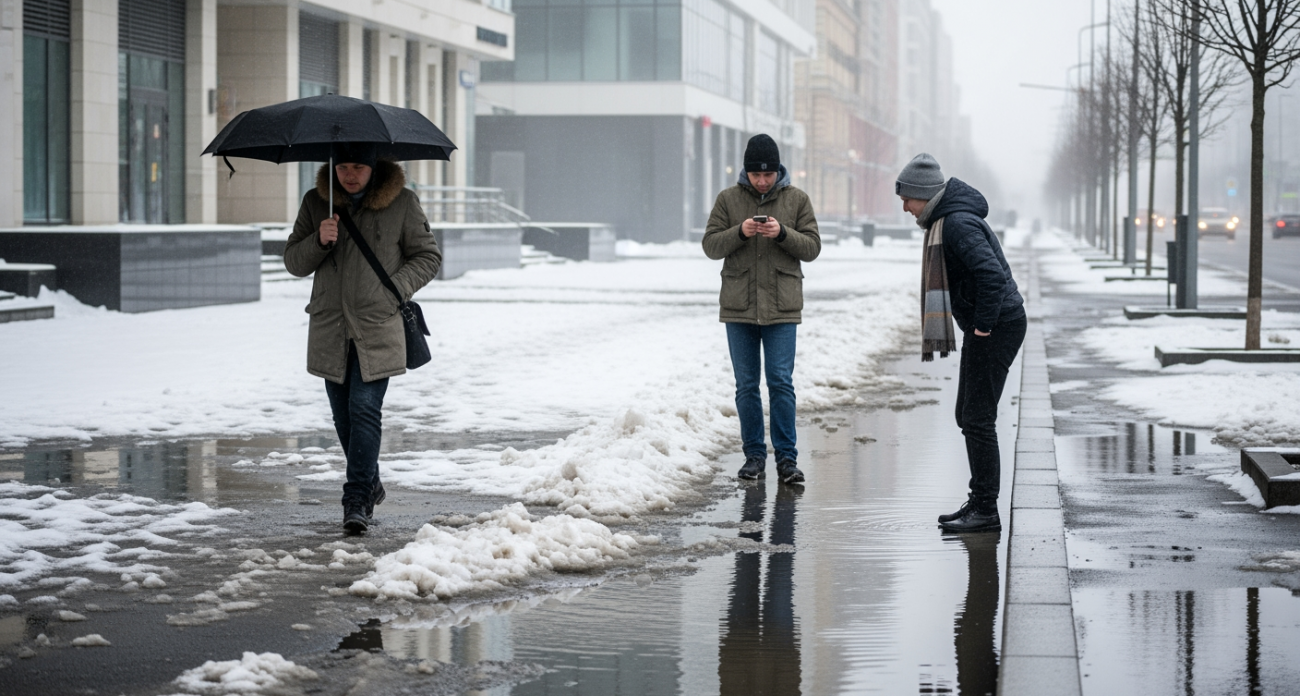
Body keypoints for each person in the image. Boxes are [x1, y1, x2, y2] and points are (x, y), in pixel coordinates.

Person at [284, 143, 441, 534]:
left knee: (365, 409)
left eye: (358, 167)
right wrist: (319, 240)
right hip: (330, 326)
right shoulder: (316, 202)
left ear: (374, 168)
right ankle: (370, 481)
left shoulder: (402, 203)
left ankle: (356, 500)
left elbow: (428, 257)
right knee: (343, 416)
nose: (349, 175)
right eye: (343, 167)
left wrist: (393, 290)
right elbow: (293, 262)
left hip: (377, 324)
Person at [896, 152, 1026, 533]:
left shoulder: (956, 224)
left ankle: (985, 509)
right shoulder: (947, 221)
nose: (904, 207)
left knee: (977, 418)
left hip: (998, 325)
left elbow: (991, 275)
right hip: (992, 325)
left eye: (907, 198)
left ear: (924, 194)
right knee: (967, 416)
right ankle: (980, 500)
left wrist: (983, 326)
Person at [703, 134, 821, 484]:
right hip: (739, 306)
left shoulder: (797, 199)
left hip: (782, 307)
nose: (762, 181)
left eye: (768, 175)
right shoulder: (728, 199)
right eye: (756, 175)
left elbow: (812, 247)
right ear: (747, 171)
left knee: (781, 383)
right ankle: (754, 456)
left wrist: (782, 233)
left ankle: (787, 459)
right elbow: (710, 245)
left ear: (778, 171)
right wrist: (739, 231)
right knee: (746, 385)